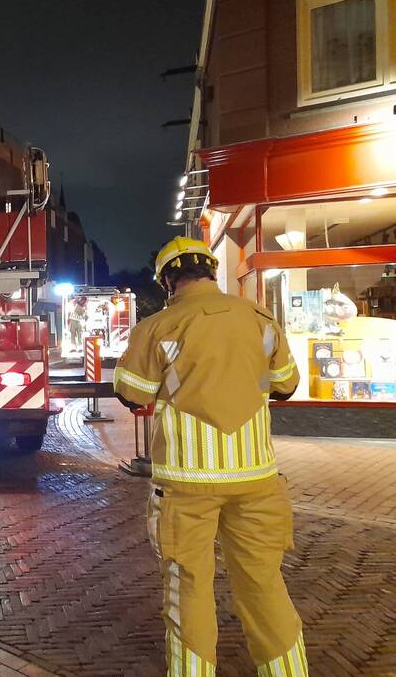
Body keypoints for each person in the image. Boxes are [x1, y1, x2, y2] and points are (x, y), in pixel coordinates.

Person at [113, 237, 306, 676]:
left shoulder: (157, 327)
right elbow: (286, 384)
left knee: (189, 590)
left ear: (167, 281)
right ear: (212, 272)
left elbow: (130, 392)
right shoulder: (260, 319)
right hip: (256, 479)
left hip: (187, 484)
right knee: (264, 585)